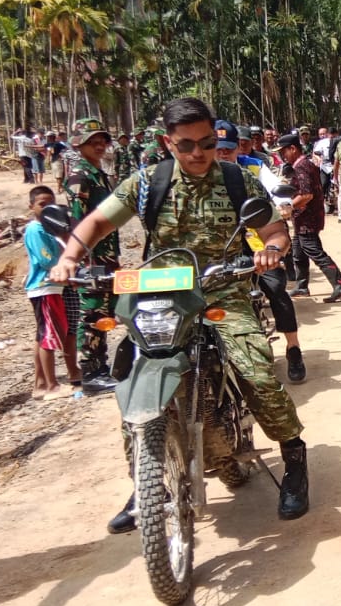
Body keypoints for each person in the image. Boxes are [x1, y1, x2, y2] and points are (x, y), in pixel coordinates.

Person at [49, 95, 312, 528]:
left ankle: (294, 461)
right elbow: (97, 222)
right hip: (161, 292)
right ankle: (146, 483)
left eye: (206, 143)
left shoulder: (236, 180)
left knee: (256, 371)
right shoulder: (147, 182)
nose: (197, 154)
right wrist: (70, 256)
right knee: (133, 376)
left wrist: (271, 250)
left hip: (220, 288)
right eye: (186, 145)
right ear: (168, 143)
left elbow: (271, 228)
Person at [214, 124, 306, 383]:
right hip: (220, 252)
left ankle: (293, 347)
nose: (222, 155)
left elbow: (275, 188)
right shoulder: (198, 175)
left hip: (259, 244)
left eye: (228, 150)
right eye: (217, 149)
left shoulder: (252, 168)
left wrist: (285, 206)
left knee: (276, 289)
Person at [60, 119, 122, 391]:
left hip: (105, 254)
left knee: (104, 311)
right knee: (92, 313)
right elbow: (78, 222)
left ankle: (101, 367)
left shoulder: (99, 173)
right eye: (91, 141)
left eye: (102, 140)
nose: (99, 145)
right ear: (77, 144)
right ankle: (91, 373)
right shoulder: (80, 177)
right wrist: (82, 259)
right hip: (92, 257)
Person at [279, 132, 341, 303]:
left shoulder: (301, 166)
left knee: (314, 251)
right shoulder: (304, 164)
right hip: (303, 219)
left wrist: (288, 207)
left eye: (284, 151)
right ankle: (302, 286)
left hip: (307, 218)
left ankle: (340, 285)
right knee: (298, 251)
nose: (282, 155)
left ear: (293, 148)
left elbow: (306, 195)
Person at [22, 186, 79, 397]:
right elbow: (47, 259)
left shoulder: (51, 227)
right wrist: (68, 267)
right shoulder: (36, 229)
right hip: (45, 286)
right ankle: (52, 384)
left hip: (53, 286)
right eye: (41, 204)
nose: (47, 208)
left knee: (44, 335)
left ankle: (41, 383)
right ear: (31, 207)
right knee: (49, 335)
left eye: (50, 203)